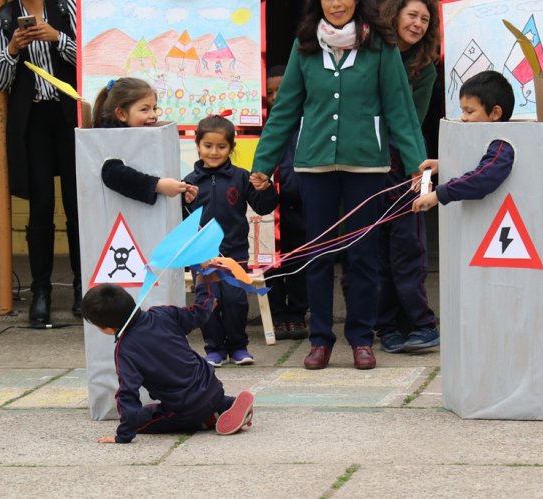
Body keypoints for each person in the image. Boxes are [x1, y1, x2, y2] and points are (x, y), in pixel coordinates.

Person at [251, 0, 427, 370]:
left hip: (366, 164)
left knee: (362, 255)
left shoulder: (381, 45)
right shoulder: (306, 45)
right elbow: (286, 107)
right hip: (314, 164)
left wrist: (416, 164)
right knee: (317, 254)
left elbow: (400, 109)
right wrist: (264, 163)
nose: (336, 3)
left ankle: (362, 339)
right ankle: (320, 339)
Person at [0, 0, 82, 326]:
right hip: (33, 120)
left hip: (72, 115)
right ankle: (41, 291)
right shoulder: (3, 16)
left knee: (77, 201)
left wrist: (58, 37)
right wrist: (13, 48)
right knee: (41, 204)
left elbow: (90, 58)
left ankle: (83, 287)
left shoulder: (67, 6)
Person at [81, 272, 255, 443]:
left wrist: (124, 434)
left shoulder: (125, 350)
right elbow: (199, 313)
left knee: (142, 419)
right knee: (203, 397)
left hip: (185, 407)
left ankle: (205, 420)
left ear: (108, 328)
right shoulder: (162, 314)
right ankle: (226, 404)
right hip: (212, 387)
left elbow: (127, 393)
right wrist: (205, 283)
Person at [183, 115, 278, 367]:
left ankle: (238, 347)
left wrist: (266, 188)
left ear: (231, 148)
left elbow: (264, 207)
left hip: (235, 251)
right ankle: (214, 348)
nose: (214, 152)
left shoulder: (241, 177)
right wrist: (186, 203)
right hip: (202, 254)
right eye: (208, 146)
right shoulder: (188, 182)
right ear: (198, 145)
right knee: (208, 298)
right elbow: (181, 220)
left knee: (235, 299)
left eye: (221, 147)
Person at [374, 0, 440, 354]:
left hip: (403, 163)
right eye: (412, 15)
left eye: (425, 20)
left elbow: (410, 120)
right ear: (394, 15)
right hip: (365, 161)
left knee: (407, 246)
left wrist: (417, 166)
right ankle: (388, 328)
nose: (417, 24)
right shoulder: (370, 52)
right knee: (375, 249)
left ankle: (421, 323)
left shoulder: (424, 67)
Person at [412, 70, 516, 213]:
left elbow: (482, 179)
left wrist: (438, 195)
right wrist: (444, 165)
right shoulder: (484, 141)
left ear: (495, 113)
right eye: (462, 111)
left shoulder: (502, 146)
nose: (463, 117)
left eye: (469, 111)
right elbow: (474, 163)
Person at [263, 65, 308, 341]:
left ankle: (298, 314)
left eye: (281, 90)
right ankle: (277, 315)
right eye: (269, 92)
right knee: (270, 262)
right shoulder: (261, 124)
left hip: (301, 202)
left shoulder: (308, 120)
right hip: (268, 205)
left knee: (300, 260)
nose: (275, 96)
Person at [95, 77, 191, 204]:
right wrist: (158, 185)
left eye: (154, 108)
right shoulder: (112, 139)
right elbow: (112, 174)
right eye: (144, 109)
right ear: (121, 114)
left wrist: (182, 193)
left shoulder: (144, 135)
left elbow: (154, 169)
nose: (154, 115)